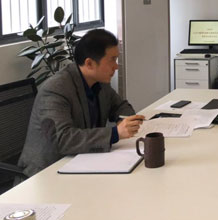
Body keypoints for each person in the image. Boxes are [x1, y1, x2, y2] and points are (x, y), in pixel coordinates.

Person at [19, 29, 144, 177]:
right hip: (47, 173)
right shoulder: (56, 89)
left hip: (85, 162)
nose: (116, 66)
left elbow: (120, 106)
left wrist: (126, 121)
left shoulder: (99, 82)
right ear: (89, 63)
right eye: (112, 60)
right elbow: (63, 139)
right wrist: (115, 133)